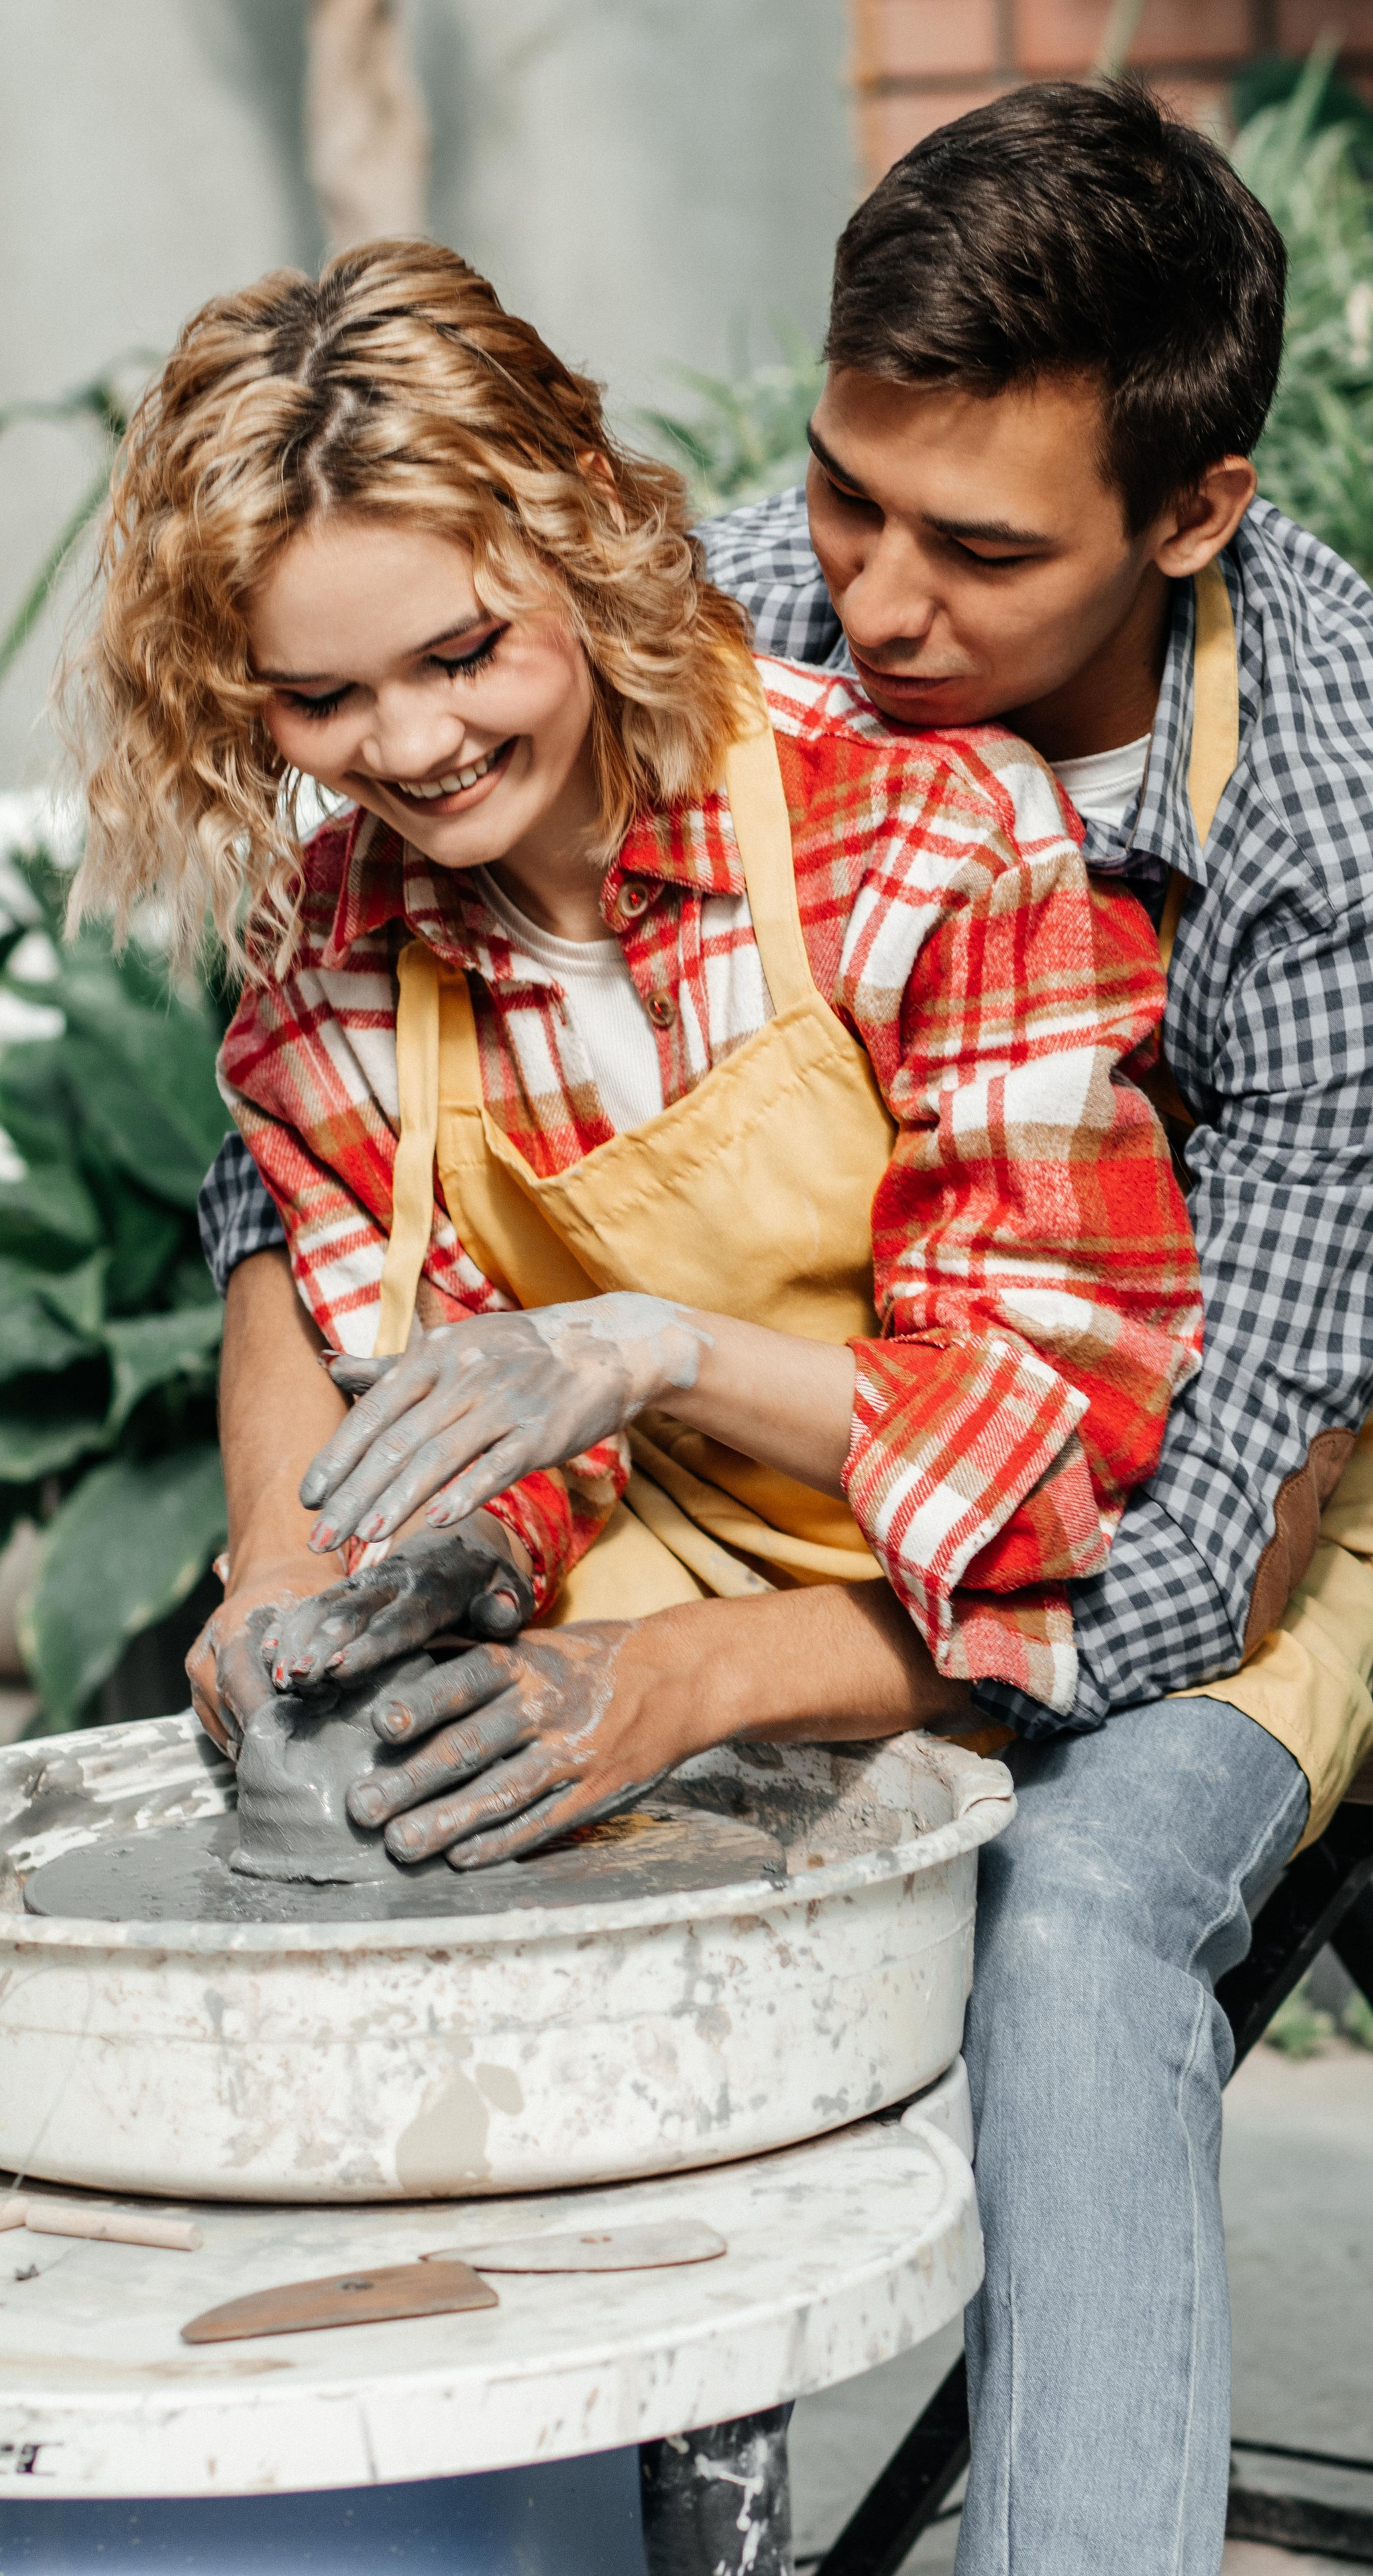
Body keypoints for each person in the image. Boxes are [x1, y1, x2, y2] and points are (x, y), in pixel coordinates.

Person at [190, 83, 1373, 2576]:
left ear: (1192, 515)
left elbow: (1182, 1557)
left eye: (980, 550)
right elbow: (302, 1134)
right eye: (844, 495)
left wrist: (695, 1667)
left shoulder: (1363, 839)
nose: (876, 607)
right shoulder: (693, 621)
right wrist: (303, 1536)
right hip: (964, 1351)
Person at [65, 236, 1202, 1867]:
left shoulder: (920, 836)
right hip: (659, 1551)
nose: (412, 747)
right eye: (319, 699)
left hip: (1007, 1587)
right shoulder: (330, 958)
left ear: (582, 524)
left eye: (464, 655)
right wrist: (400, 1564)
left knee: (1061, 1950)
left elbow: (1053, 1453)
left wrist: (651, 1350)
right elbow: (464, 1421)